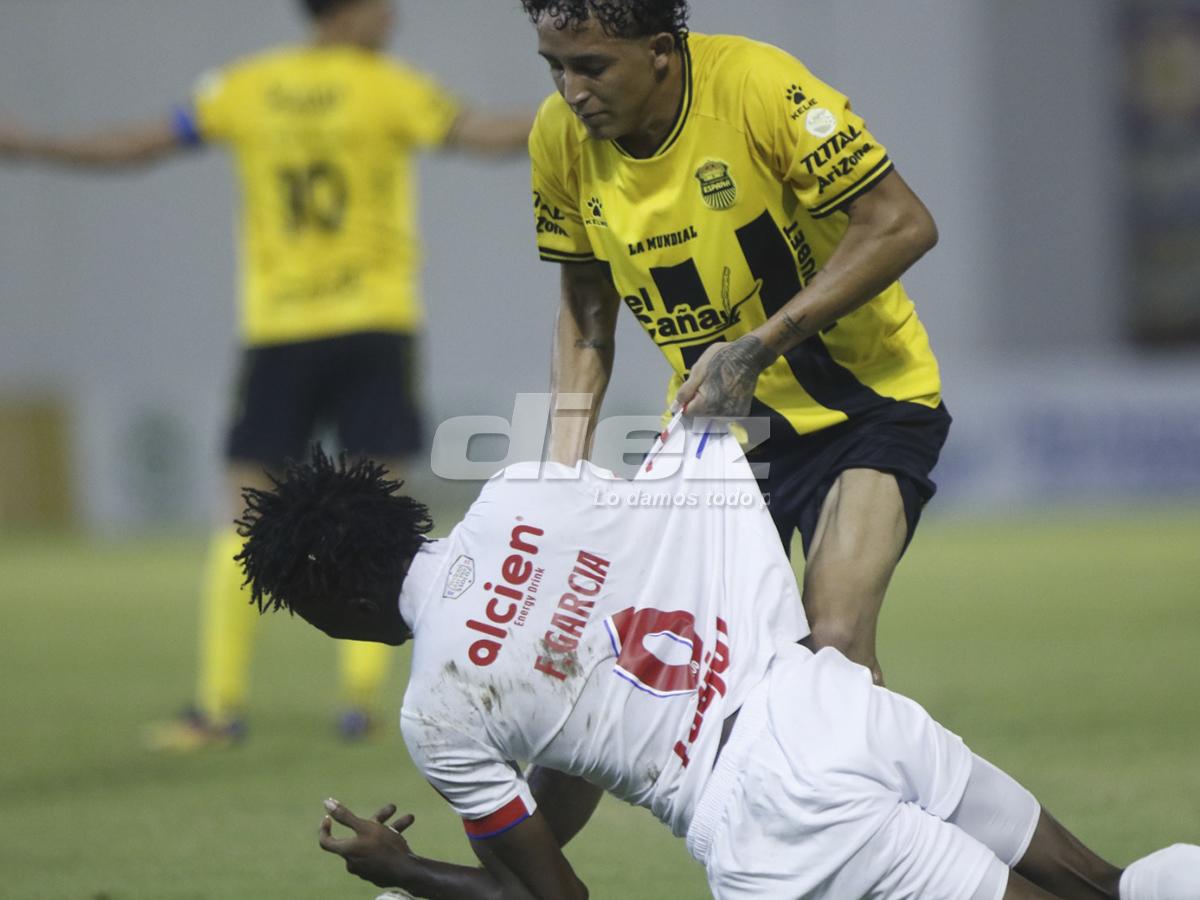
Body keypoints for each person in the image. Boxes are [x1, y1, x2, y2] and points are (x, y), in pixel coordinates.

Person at [236, 423, 1199, 900]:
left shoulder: (438, 713)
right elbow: (579, 694)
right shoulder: (521, 488)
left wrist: (400, 869)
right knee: (1108, 884)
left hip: (774, 821)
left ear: (343, 605)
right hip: (829, 699)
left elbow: (554, 899)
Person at [0, 0, 533, 747]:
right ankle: (362, 704)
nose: (396, 11)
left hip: (282, 329)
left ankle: (219, 706)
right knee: (376, 504)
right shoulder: (386, 86)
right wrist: (581, 111)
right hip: (375, 325)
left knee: (241, 507)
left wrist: (37, 145)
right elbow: (481, 134)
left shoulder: (248, 86)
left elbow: (135, 144)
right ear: (351, 9)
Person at [523, 0, 951, 685]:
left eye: (591, 66)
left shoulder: (756, 86)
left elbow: (901, 224)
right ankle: (522, 803)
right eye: (555, 68)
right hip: (719, 429)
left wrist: (757, 348)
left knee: (834, 641)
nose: (572, 91)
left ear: (660, 49)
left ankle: (914, 793)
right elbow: (585, 317)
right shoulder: (559, 138)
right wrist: (562, 475)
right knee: (640, 669)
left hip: (866, 405)